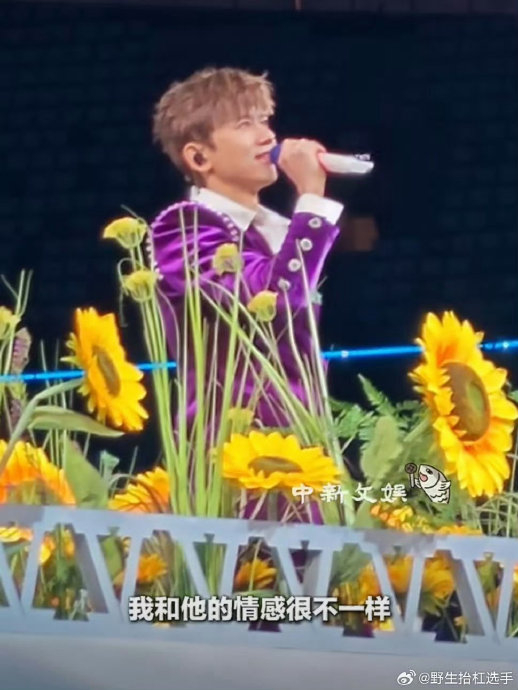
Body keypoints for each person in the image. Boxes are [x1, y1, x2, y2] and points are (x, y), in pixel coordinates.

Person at [150, 66, 344, 438]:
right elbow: (273, 299)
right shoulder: (183, 229)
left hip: (303, 443)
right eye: (244, 124)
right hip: (231, 449)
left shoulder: (278, 230)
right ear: (199, 157)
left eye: (264, 120)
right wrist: (311, 199)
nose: (267, 135)